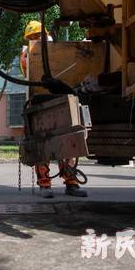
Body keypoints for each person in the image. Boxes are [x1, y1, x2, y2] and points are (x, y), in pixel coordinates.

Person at [20, 20, 88, 199]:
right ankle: (44, 184)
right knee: (43, 145)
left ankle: (71, 182)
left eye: (38, 36)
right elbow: (30, 68)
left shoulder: (57, 51)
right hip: (39, 104)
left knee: (69, 143)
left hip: (61, 100)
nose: (36, 39)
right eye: (32, 37)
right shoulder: (28, 54)